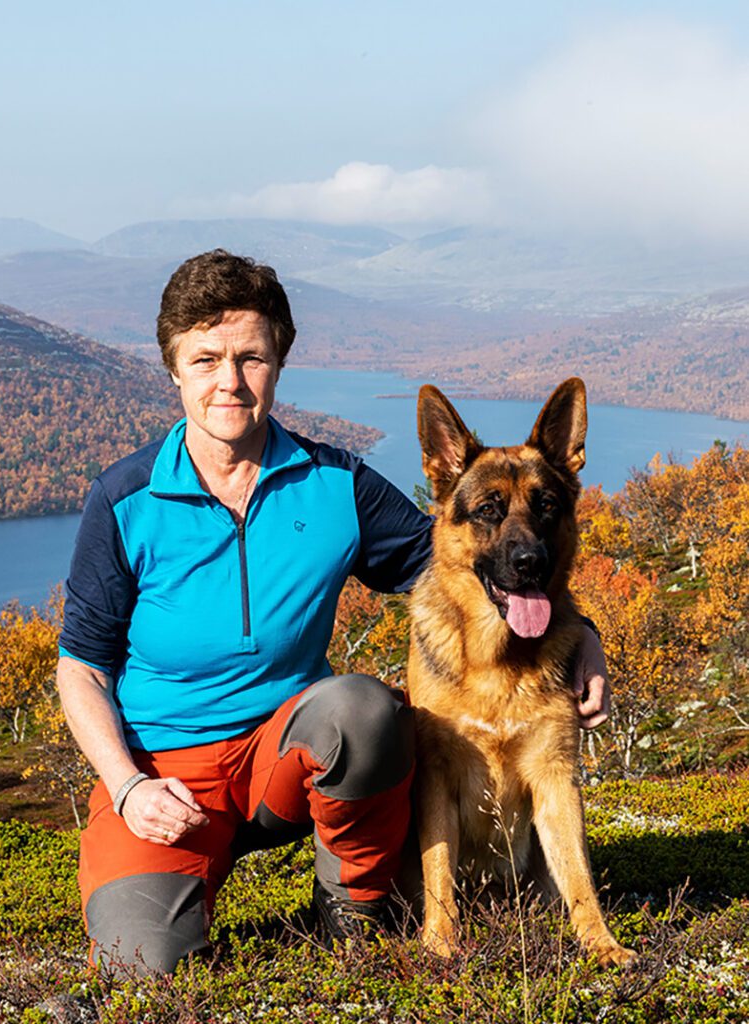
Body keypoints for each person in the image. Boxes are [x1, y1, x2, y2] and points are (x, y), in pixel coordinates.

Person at [56, 249, 611, 976]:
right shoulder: (122, 500)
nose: (229, 381)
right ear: (173, 368)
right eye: (205, 359)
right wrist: (128, 788)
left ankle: (351, 911)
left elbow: (465, 557)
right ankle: (165, 899)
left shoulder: (334, 484)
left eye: (251, 358)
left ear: (279, 364)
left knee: (365, 708)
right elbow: (82, 669)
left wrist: (584, 635)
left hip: (288, 754)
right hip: (167, 774)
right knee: (142, 966)